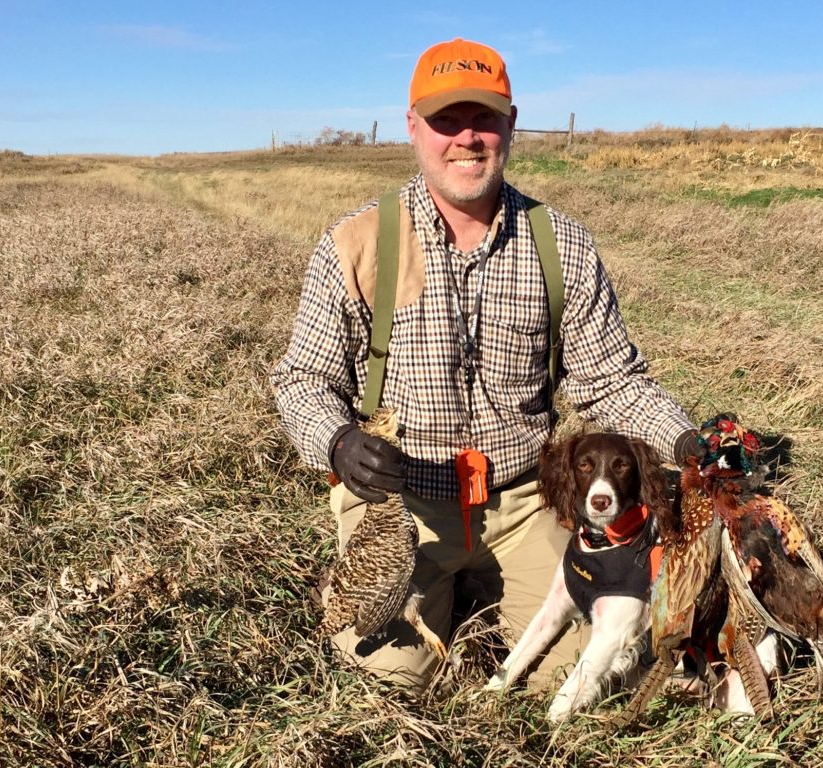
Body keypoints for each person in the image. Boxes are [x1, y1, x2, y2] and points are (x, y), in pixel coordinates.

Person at [271, 37, 700, 691]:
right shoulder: (354, 246)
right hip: (399, 510)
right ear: (413, 127)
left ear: (511, 125)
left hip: (527, 502)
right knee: (385, 682)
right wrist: (337, 441)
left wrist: (690, 443)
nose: (465, 138)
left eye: (484, 119)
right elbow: (303, 379)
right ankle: (449, 598)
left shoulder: (563, 247)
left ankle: (492, 591)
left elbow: (612, 380)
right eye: (446, 120)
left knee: (590, 671)